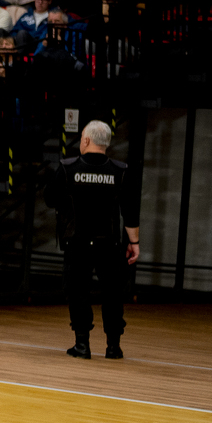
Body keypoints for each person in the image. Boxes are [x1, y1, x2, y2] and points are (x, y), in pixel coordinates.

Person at [45, 119, 141, 360]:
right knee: (113, 293)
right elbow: (130, 210)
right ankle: (113, 347)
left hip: (76, 242)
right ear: (106, 143)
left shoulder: (67, 168)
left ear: (86, 140)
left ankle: (82, 345)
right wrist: (134, 243)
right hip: (109, 243)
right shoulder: (120, 171)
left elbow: (50, 198)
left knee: (78, 291)